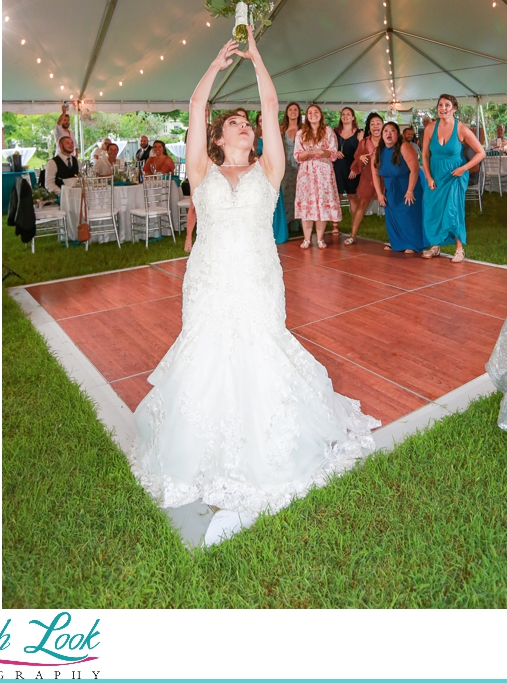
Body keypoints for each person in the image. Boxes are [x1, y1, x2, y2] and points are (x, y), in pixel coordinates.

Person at [133, 28, 377, 548]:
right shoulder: (201, 170)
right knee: (208, 357)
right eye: (236, 124)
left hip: (259, 280)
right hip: (208, 282)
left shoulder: (271, 167)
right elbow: (197, 104)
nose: (246, 127)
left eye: (249, 124)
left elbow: (270, 102)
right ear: (220, 138)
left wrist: (259, 58)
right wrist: (216, 66)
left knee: (260, 351)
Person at [420, 93, 485, 262]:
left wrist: (464, 168)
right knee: (433, 209)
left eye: (447, 105)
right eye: (440, 105)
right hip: (435, 174)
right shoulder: (429, 129)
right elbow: (425, 154)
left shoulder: (461, 128)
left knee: (454, 209)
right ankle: (435, 246)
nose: (443, 108)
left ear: (454, 109)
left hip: (455, 175)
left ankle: (459, 249)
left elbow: (481, 152)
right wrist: (428, 176)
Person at [371, 121, 426, 254]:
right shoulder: (377, 151)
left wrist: (410, 191)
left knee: (408, 215)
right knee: (393, 216)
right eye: (386, 131)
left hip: (408, 186)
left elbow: (414, 170)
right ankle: (397, 242)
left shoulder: (405, 147)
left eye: (392, 131)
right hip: (391, 190)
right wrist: (379, 194)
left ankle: (412, 244)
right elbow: (375, 174)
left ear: (397, 134)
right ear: (382, 135)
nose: (388, 133)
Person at [293, 104, 341, 249]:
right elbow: (297, 156)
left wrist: (320, 151)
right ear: (306, 116)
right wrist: (307, 153)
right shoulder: (300, 133)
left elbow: (333, 153)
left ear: (320, 114)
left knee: (322, 204)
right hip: (306, 173)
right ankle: (307, 239)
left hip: (324, 171)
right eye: (310, 113)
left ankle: (320, 238)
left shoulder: (328, 131)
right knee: (307, 204)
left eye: (316, 112)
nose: (313, 114)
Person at [343, 112, 383, 245]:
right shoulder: (365, 142)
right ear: (369, 127)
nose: (375, 126)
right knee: (361, 204)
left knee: (392, 207)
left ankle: (397, 238)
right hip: (368, 177)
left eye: (378, 123)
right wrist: (360, 159)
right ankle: (352, 235)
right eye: (372, 124)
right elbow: (357, 157)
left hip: (386, 178)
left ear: (383, 125)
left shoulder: (389, 139)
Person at [331, 107, 360, 239]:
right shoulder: (334, 132)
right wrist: (335, 152)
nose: (346, 116)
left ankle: (354, 226)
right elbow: (329, 148)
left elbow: (362, 152)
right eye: (343, 114)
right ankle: (335, 226)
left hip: (352, 169)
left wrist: (356, 168)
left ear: (353, 117)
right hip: (337, 168)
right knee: (337, 197)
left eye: (348, 114)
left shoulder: (359, 133)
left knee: (352, 197)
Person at [279, 102, 302, 235]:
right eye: (290, 110)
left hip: (301, 165)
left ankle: (298, 224)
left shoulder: (304, 129)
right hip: (286, 166)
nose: (293, 112)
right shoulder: (282, 129)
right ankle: (286, 222)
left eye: (295, 110)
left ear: (299, 113)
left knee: (299, 193)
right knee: (286, 192)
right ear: (287, 113)